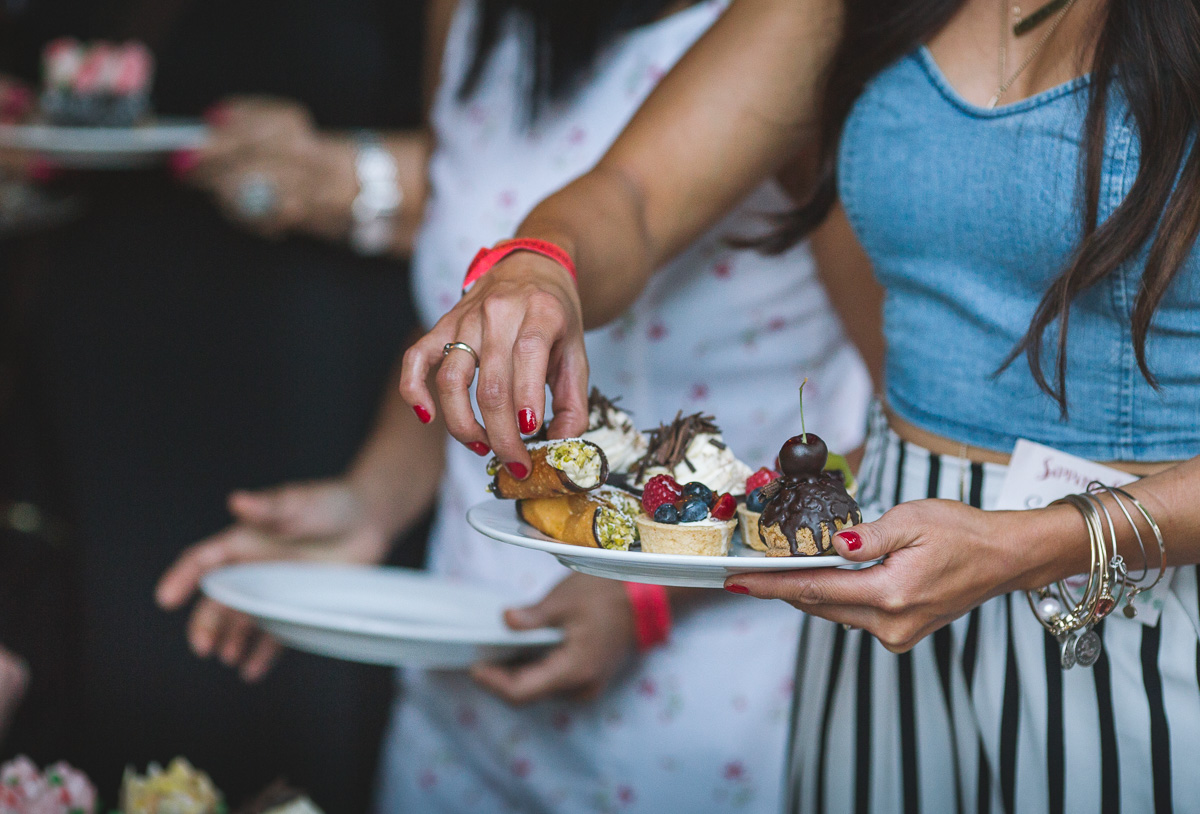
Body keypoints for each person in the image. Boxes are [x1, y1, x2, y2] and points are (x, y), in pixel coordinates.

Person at [398, 0, 1200, 811]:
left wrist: (1034, 544)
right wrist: (541, 265)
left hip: (1131, 602)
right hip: (888, 592)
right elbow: (634, 194)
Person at [158, 0, 873, 811]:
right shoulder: (469, 17)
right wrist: (370, 502)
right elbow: (478, 331)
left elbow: (903, 425)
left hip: (716, 711)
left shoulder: (794, 32)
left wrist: (650, 591)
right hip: (465, 692)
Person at [0, 0, 427, 806]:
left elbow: (529, 173)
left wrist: (347, 178)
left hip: (298, 389)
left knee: (258, 727)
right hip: (79, 392)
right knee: (81, 722)